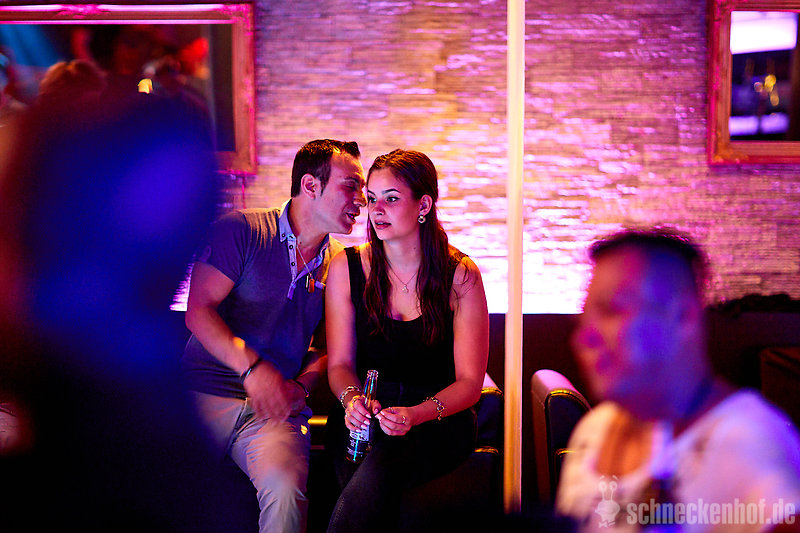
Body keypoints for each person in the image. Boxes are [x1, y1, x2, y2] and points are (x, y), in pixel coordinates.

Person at [557, 229, 800, 532]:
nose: (584, 338)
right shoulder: (593, 431)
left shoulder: (746, 441)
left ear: (683, 317)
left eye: (612, 310)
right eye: (582, 318)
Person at [182, 139, 366, 533]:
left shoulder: (339, 265)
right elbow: (199, 311)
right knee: (159, 489)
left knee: (286, 492)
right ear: (310, 185)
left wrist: (301, 387)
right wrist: (252, 370)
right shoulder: (241, 230)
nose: (362, 200)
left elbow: (326, 349)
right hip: (201, 396)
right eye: (351, 186)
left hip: (273, 412)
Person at [325, 149, 490, 532]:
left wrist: (415, 414)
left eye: (391, 198)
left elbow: (470, 383)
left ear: (424, 205)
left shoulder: (460, 275)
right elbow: (340, 365)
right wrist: (352, 401)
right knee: (362, 466)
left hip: (436, 419)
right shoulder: (347, 267)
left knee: (376, 473)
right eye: (372, 198)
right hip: (364, 414)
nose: (376, 210)